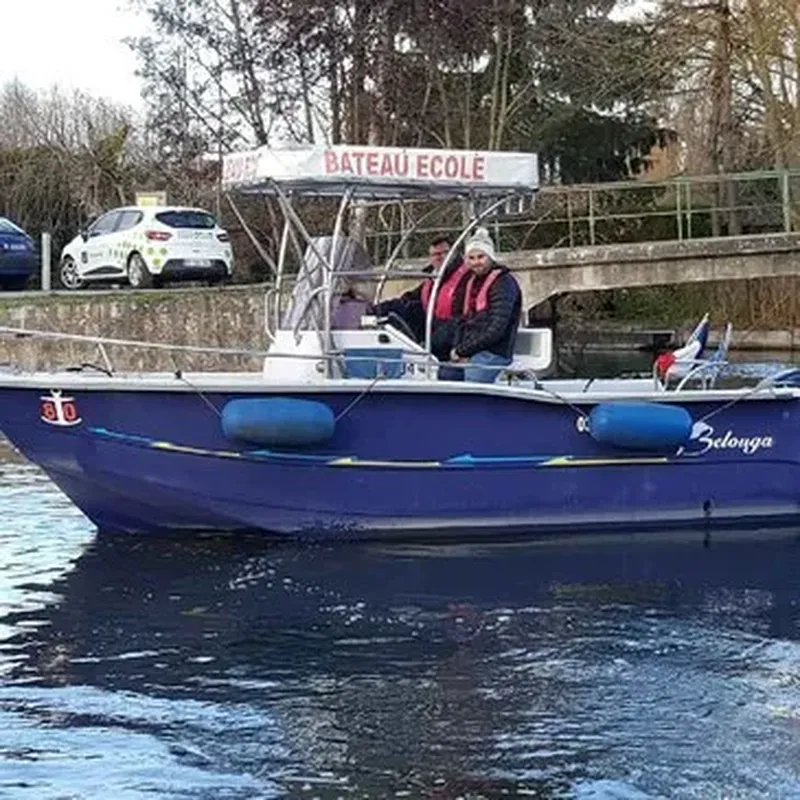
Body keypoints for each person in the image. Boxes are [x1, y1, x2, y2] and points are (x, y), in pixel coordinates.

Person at [442, 228, 521, 383]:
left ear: (490, 256)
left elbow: (496, 329)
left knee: (473, 376)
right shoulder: (469, 282)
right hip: (471, 349)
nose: (476, 262)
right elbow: (461, 321)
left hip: (494, 351)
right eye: (471, 258)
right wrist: (458, 350)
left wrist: (463, 351)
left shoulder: (504, 284)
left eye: (481, 257)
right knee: (446, 374)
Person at [370, 236, 471, 359]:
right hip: (430, 329)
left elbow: (466, 315)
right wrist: (377, 309)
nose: (438, 257)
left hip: (455, 334)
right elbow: (408, 299)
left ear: (454, 254)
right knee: (402, 310)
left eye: (443, 253)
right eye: (434, 254)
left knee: (440, 336)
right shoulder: (432, 280)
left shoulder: (467, 278)